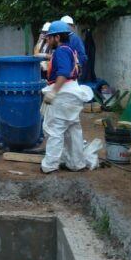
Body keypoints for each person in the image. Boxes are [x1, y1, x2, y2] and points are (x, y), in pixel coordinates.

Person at [40, 21, 94, 173]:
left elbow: (63, 73)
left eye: (49, 37)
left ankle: (50, 165)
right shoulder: (71, 50)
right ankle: (76, 163)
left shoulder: (61, 51)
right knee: (73, 130)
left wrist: (53, 91)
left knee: (54, 130)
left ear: (57, 37)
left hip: (63, 94)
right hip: (73, 93)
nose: (47, 40)